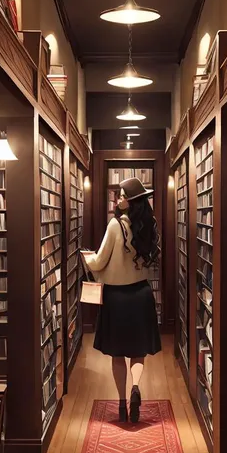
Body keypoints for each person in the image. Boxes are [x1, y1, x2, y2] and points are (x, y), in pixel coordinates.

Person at [82, 177, 162, 423]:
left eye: (122, 196)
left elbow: (100, 260)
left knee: (118, 354)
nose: (118, 199)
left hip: (116, 297)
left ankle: (120, 404)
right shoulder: (150, 223)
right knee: (138, 352)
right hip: (141, 295)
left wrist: (87, 257)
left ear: (131, 201)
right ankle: (136, 387)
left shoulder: (115, 225)